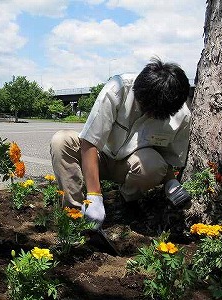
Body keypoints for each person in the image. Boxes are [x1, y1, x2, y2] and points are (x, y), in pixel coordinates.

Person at [50, 57, 191, 229]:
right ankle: (75, 213)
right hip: (98, 157)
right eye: (145, 108)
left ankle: (126, 203)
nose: (150, 115)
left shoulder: (181, 116)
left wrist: (171, 184)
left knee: (153, 164)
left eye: (156, 115)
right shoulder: (118, 89)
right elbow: (89, 141)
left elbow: (169, 159)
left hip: (130, 166)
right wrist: (94, 195)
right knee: (61, 140)